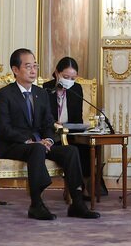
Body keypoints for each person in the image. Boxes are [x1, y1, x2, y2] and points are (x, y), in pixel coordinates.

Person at [0, 48, 99, 220]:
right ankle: (36, 204)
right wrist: (30, 141)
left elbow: (48, 123)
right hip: (14, 145)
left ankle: (77, 203)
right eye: (28, 66)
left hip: (39, 144)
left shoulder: (40, 93)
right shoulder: (4, 95)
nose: (33, 70)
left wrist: (48, 139)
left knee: (71, 151)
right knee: (37, 150)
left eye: (35, 66)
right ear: (15, 69)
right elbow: (4, 128)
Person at [41, 56, 105, 196]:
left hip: (70, 133)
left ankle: (88, 184)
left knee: (89, 146)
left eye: (72, 78)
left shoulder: (76, 89)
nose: (69, 81)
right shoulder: (45, 89)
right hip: (52, 135)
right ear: (57, 73)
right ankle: (77, 188)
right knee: (73, 149)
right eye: (65, 77)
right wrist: (54, 124)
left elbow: (77, 118)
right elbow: (43, 118)